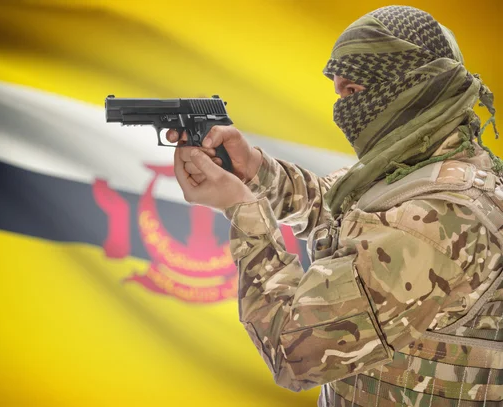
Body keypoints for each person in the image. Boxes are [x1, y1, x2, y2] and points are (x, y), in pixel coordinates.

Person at [168, 5, 503, 407]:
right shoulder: (419, 167)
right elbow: (331, 207)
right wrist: (253, 168)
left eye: (354, 92)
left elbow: (294, 353)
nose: (342, 109)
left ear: (413, 84)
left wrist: (243, 209)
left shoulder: (436, 221)